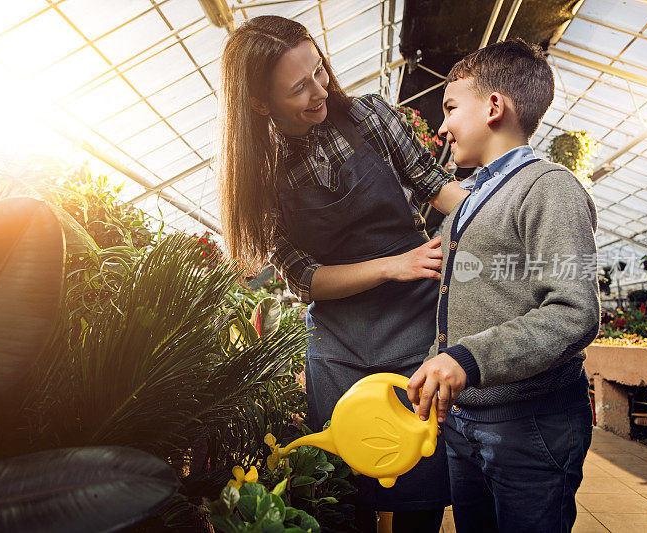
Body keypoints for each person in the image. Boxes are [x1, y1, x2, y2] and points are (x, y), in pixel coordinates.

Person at [216, 15, 468, 532]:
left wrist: (510, 208)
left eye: (319, 71)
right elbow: (303, 279)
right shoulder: (259, 177)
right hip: (340, 343)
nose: (319, 92)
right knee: (345, 485)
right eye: (298, 87)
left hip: (415, 321)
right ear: (260, 103)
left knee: (420, 482)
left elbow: (431, 183)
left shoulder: (369, 116)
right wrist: (389, 266)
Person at [406, 39, 600, 532]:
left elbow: (573, 312)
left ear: (494, 107)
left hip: (530, 425)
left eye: (450, 107)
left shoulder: (549, 187)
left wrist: (467, 360)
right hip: (468, 423)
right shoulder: (470, 200)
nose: (443, 125)